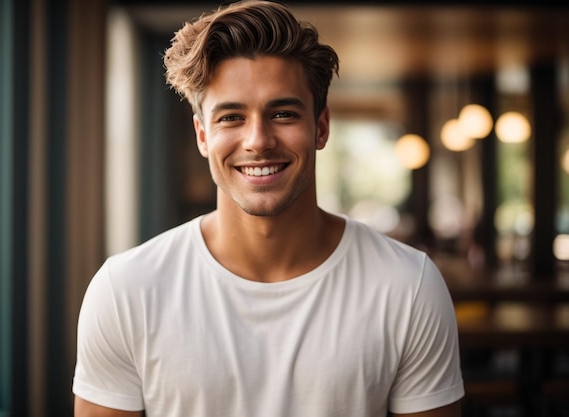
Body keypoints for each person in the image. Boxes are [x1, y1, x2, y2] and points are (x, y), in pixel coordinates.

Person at [72, 1, 465, 416]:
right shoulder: (126, 290)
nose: (258, 140)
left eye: (282, 113)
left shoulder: (408, 286)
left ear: (321, 127)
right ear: (203, 136)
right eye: (231, 117)